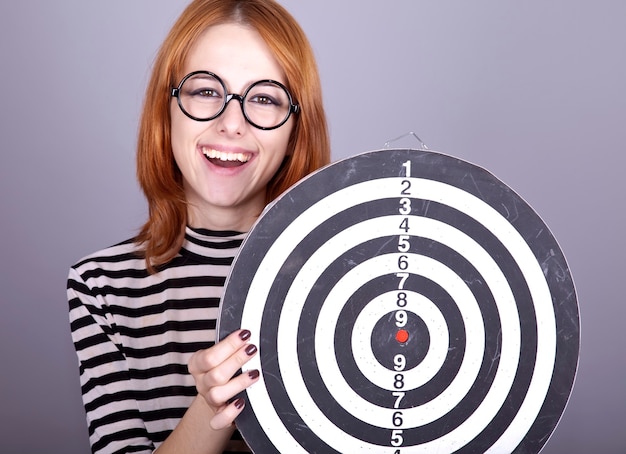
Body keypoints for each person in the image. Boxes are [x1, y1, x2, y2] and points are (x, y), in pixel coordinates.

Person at [67, 0, 330, 452]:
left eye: (264, 98)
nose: (232, 124)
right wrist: (211, 409)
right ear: (166, 109)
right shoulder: (101, 286)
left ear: (294, 133)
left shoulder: (343, 274)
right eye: (206, 91)